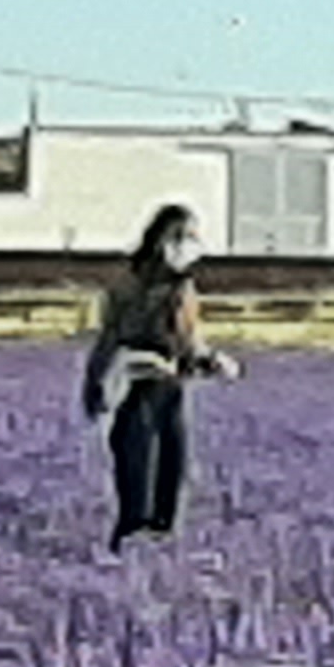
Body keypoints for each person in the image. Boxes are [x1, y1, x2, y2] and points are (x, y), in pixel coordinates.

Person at [81, 204, 238, 549]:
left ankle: (158, 551)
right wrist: (98, 385)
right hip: (135, 391)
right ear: (161, 239)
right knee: (138, 482)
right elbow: (111, 338)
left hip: (171, 391)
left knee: (170, 479)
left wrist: (212, 360)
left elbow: (188, 341)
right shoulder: (129, 286)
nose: (188, 247)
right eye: (182, 237)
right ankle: (130, 551)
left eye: (194, 239)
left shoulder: (183, 288)